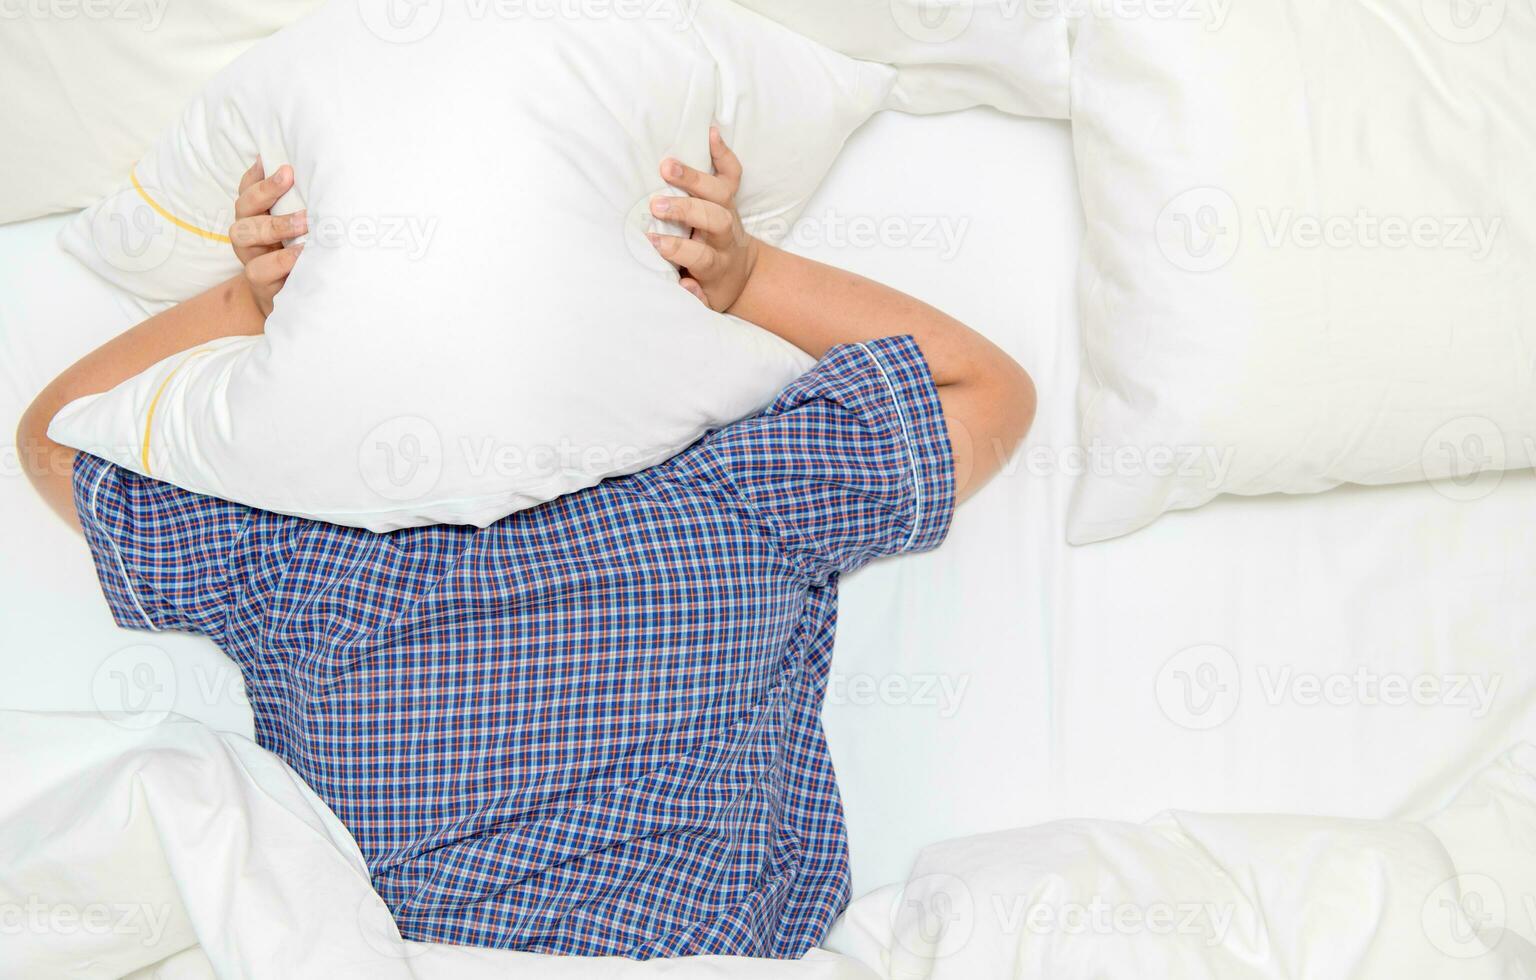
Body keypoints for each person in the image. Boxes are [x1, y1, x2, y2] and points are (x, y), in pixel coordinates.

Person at [17, 130, 1035, 958]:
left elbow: (988, 392)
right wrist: (262, 307)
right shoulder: (294, 535)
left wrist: (748, 277)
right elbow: (62, 438)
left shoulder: (732, 485)